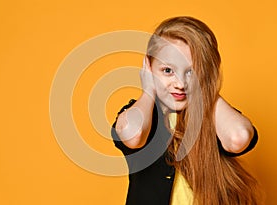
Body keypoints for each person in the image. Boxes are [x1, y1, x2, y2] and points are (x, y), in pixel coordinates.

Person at [111, 16, 261, 205]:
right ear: (149, 67)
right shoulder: (142, 115)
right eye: (167, 70)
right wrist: (148, 91)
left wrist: (207, 87)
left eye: (191, 71)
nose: (180, 84)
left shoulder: (215, 118)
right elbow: (134, 135)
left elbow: (238, 137)